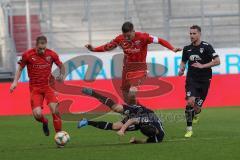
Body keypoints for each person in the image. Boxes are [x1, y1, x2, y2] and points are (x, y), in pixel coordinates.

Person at [85, 21, 181, 102]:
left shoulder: (144, 37)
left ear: (133, 31)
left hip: (140, 68)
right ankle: (134, 113)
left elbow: (160, 40)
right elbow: (107, 47)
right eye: (125, 36)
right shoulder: (120, 39)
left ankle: (137, 114)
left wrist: (172, 48)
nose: (126, 38)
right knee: (125, 96)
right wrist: (93, 49)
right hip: (127, 69)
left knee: (132, 93)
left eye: (128, 35)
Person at [10, 35, 65, 136]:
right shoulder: (27, 55)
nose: (42, 51)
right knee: (37, 115)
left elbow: (62, 66)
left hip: (49, 87)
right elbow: (20, 68)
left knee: (55, 110)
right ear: (36, 46)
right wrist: (15, 82)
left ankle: (59, 135)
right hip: (35, 89)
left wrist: (62, 75)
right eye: (40, 49)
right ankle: (44, 122)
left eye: (44, 48)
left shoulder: (52, 54)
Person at [77, 87, 165, 143]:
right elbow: (132, 120)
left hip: (139, 122)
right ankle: (94, 93)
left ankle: (87, 122)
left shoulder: (158, 137)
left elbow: (145, 141)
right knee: (116, 108)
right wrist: (122, 130)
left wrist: (135, 141)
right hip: (140, 112)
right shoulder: (147, 119)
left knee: (115, 127)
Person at [178, 25, 220, 138]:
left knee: (197, 108)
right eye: (190, 33)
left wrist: (203, 66)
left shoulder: (207, 47)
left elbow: (217, 61)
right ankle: (189, 130)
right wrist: (181, 69)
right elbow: (183, 61)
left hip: (205, 80)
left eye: (194, 33)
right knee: (190, 102)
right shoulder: (187, 49)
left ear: (199, 34)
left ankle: (196, 113)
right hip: (191, 79)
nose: (191, 36)